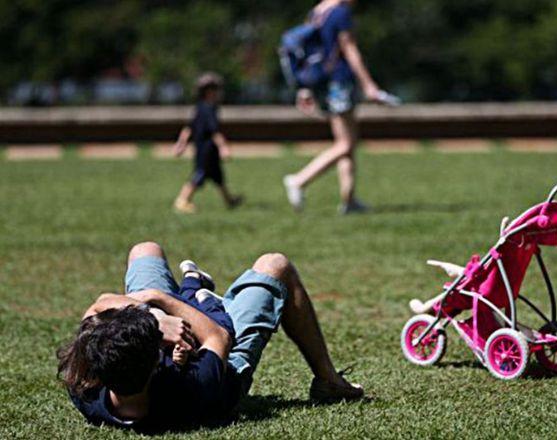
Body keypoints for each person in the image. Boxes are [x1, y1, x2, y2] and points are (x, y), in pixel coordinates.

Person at [57, 241, 363, 433]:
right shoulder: (193, 388)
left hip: (162, 336)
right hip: (222, 355)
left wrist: (153, 318)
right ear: (155, 364)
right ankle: (329, 381)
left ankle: (191, 288)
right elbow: (217, 336)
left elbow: (99, 305)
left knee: (145, 250)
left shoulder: (85, 385)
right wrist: (159, 301)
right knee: (275, 265)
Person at [283, 0, 385, 214]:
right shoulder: (340, 12)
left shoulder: (317, 11)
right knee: (345, 144)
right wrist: (369, 85)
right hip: (340, 81)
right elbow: (349, 49)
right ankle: (299, 180)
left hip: (323, 83)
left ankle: (349, 200)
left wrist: (304, 89)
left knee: (346, 142)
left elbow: (307, 53)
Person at [173, 72, 242, 214]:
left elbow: (188, 128)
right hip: (206, 149)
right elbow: (214, 131)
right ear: (209, 91)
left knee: (218, 176)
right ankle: (182, 200)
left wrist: (181, 144)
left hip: (205, 148)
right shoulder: (209, 109)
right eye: (216, 90)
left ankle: (229, 200)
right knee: (199, 174)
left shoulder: (200, 107)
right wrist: (224, 147)